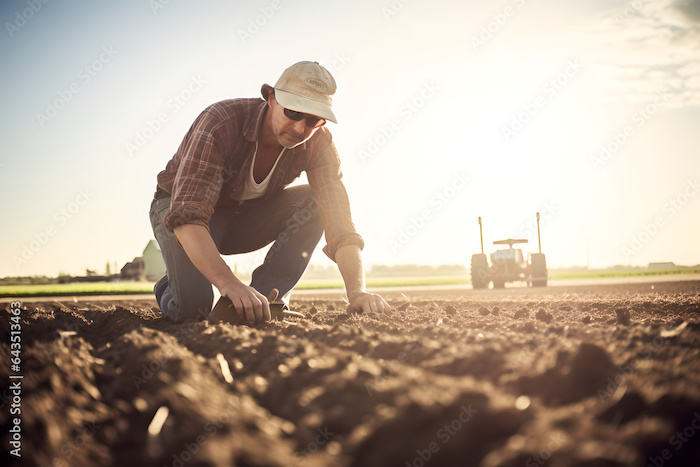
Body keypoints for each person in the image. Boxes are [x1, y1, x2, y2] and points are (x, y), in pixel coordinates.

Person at [149, 61, 390, 325]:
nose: (300, 128)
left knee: (314, 201)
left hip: (247, 216)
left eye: (313, 120)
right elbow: (188, 215)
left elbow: (339, 221)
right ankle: (172, 282)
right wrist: (230, 283)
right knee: (192, 311)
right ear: (272, 98)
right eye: (294, 113)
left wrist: (357, 292)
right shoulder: (221, 121)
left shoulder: (318, 143)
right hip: (182, 214)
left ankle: (268, 297)